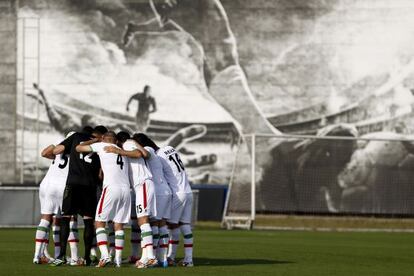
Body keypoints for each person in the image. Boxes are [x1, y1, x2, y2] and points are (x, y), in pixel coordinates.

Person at [50, 125, 107, 266]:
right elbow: (101, 173)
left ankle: (61, 255)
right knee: (88, 221)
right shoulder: (98, 143)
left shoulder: (75, 137)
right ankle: (87, 257)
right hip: (90, 186)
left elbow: (56, 150)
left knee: (65, 218)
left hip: (73, 184)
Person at [76, 131, 131, 268]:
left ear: (105, 139)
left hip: (111, 188)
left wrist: (95, 141)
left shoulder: (101, 145)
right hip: (126, 190)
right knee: (119, 225)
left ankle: (105, 256)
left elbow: (79, 148)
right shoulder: (122, 151)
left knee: (99, 222)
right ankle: (117, 259)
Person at [105, 133, 158, 268]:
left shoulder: (127, 144)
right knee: (141, 221)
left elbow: (139, 154)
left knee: (143, 220)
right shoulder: (129, 144)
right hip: (140, 186)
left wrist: (118, 150)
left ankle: (151, 256)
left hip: (143, 183)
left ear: (118, 141)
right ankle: (145, 257)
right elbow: (146, 154)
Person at [132, 133, 176, 267]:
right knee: (161, 224)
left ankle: (149, 257)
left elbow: (144, 154)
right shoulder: (155, 153)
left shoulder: (148, 150)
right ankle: (162, 259)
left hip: (157, 191)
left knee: (152, 224)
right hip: (165, 190)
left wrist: (133, 145)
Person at [33, 132, 74, 265]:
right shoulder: (76, 152)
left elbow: (44, 153)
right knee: (66, 220)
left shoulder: (58, 150)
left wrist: (54, 146)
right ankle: (64, 255)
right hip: (62, 187)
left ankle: (37, 255)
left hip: (46, 185)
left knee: (45, 219)